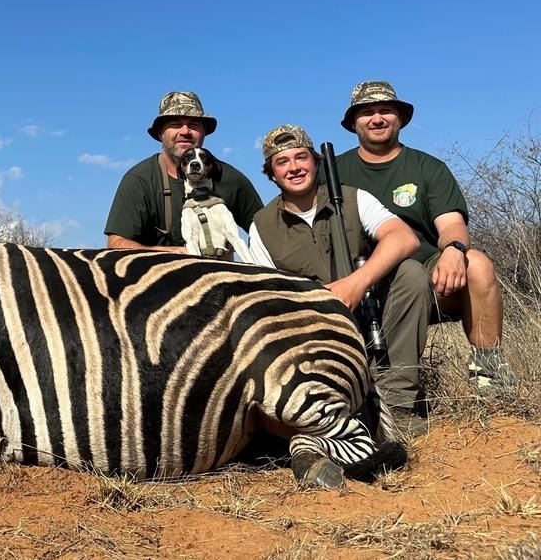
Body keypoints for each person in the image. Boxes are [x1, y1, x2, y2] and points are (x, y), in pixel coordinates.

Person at [335, 81, 519, 394]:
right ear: (353, 123)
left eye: (386, 110)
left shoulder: (428, 167)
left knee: (476, 264)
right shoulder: (333, 171)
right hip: (361, 284)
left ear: (401, 118)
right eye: (367, 113)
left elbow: (452, 224)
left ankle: (491, 378)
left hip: (428, 280)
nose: (377, 119)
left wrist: (454, 249)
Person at [249, 124, 433, 434]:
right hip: (311, 333)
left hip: (368, 315)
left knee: (411, 274)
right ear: (272, 174)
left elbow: (404, 238)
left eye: (301, 157)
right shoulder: (261, 225)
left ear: (316, 162)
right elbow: (268, 298)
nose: (294, 168)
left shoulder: (353, 198)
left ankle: (398, 404)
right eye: (282, 162)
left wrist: (357, 283)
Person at [105, 91, 263, 253]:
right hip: (162, 267)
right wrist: (174, 253)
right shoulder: (140, 179)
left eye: (194, 125)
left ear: (204, 132)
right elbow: (116, 243)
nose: (185, 131)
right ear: (160, 133)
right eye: (175, 124)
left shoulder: (229, 178)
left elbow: (265, 233)